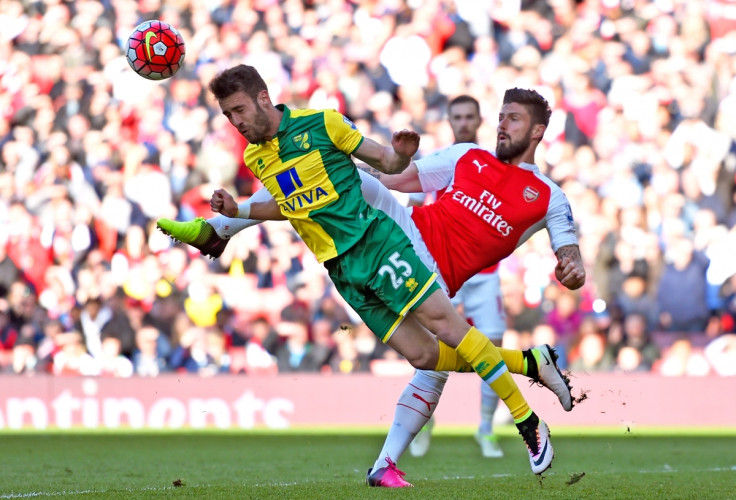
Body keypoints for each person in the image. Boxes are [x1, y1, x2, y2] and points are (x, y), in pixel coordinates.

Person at [158, 66, 580, 483]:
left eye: (514, 119)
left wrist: (572, 267)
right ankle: (218, 229)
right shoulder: (468, 156)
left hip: (428, 266)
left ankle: (525, 372)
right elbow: (396, 175)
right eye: (501, 116)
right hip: (406, 233)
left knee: (429, 361)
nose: (501, 125)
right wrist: (391, 156)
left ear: (538, 131)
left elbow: (569, 254)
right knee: (343, 176)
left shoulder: (549, 197)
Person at [407, 95, 506, 459]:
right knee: (435, 349)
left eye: (470, 116)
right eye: (458, 117)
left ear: (480, 120)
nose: (464, 122)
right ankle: (422, 423)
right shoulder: (439, 161)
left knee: (492, 345)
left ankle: (485, 428)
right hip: (442, 269)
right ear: (449, 121)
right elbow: (414, 206)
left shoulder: (493, 162)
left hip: (485, 273)